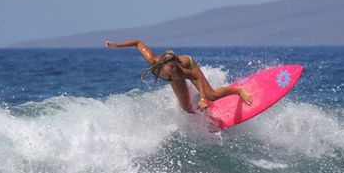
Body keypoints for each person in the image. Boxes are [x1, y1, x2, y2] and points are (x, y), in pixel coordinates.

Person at [104, 39, 252, 112]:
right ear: (163, 64)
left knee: (210, 95)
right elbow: (137, 42)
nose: (174, 69)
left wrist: (202, 98)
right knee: (186, 107)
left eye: (175, 66)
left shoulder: (179, 70)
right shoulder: (152, 60)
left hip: (189, 63)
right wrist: (116, 46)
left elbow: (195, 76)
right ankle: (204, 117)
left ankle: (238, 90)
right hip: (172, 78)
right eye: (171, 67)